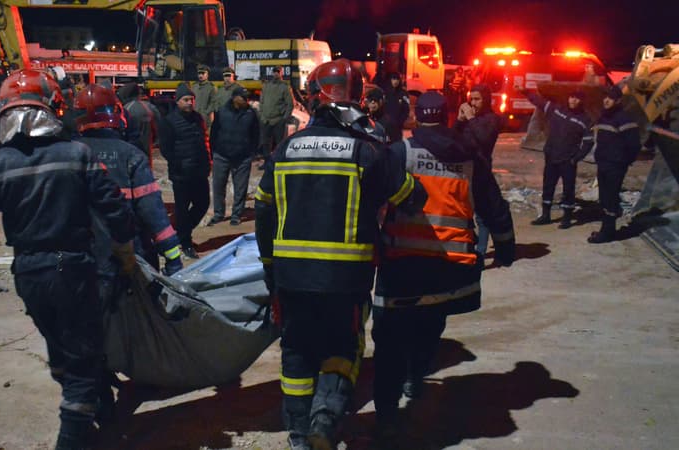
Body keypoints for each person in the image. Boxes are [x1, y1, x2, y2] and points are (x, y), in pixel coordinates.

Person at [0, 69, 136, 449]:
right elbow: (115, 210)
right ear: (52, 108)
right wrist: (125, 254)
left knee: (63, 350)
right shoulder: (76, 155)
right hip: (74, 269)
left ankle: (99, 409)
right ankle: (74, 435)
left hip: (28, 273)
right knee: (81, 361)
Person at [254, 58, 422, 450]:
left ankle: (299, 435)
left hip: (292, 276)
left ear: (313, 98)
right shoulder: (368, 150)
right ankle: (325, 420)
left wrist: (269, 268)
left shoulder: (286, 149)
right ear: (359, 100)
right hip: (346, 278)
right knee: (343, 348)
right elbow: (411, 196)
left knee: (296, 352)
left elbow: (263, 210)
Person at [372, 92, 515, 445]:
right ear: (449, 115)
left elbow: (370, 199)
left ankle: (387, 415)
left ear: (416, 118)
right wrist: (505, 245)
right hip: (448, 264)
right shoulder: (468, 156)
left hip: (401, 262)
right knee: (430, 322)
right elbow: (492, 203)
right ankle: (416, 375)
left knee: (388, 341)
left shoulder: (400, 153)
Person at [74, 83, 183, 277]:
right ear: (116, 113)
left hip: (81, 259)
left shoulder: (66, 155)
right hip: (129, 257)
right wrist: (172, 256)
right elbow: (152, 211)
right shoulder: (131, 155)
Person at [521, 86, 593, 229]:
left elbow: (588, 142)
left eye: (577, 98)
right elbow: (539, 102)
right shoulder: (557, 110)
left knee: (568, 189)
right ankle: (545, 215)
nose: (573, 100)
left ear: (581, 101)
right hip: (551, 157)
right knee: (548, 186)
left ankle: (567, 218)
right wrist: (525, 92)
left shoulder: (585, 120)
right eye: (572, 97)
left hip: (568, 161)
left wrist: (576, 158)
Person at [158, 83, 211, 259]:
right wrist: (178, 164)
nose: (190, 102)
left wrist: (207, 163)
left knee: (203, 204)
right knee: (182, 209)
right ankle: (185, 242)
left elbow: (203, 142)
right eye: (186, 99)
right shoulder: (169, 121)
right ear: (178, 101)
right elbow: (166, 148)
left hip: (199, 172)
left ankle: (180, 232)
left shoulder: (197, 118)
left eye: (191, 99)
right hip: (181, 174)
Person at [454, 84, 503, 259]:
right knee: (461, 212)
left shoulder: (493, 119)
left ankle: (481, 252)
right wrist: (459, 121)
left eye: (477, 99)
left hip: (481, 170)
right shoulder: (470, 119)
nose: (473, 103)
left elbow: (484, 138)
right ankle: (468, 244)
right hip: (464, 170)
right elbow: (452, 137)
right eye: (471, 99)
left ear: (486, 100)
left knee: (482, 214)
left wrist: (470, 119)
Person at [587, 85, 641, 244]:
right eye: (605, 97)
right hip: (603, 164)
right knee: (604, 198)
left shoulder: (625, 119)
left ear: (618, 100)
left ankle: (607, 233)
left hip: (615, 166)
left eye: (610, 98)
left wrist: (623, 162)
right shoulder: (604, 117)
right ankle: (606, 229)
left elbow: (634, 146)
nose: (606, 100)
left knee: (610, 199)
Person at [208, 85, 260, 226]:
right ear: (234, 98)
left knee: (240, 188)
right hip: (221, 155)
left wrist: (251, 153)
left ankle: (236, 215)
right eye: (243, 98)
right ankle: (219, 214)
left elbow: (256, 134)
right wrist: (214, 153)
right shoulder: (222, 112)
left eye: (246, 98)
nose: (246, 100)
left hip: (242, 157)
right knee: (218, 186)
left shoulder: (251, 114)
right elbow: (214, 133)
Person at [117, 81, 161, 168]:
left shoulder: (125, 110)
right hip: (146, 152)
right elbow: (159, 128)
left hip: (129, 153)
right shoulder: (150, 107)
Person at [258, 66, 294, 168]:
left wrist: (284, 118)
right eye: (274, 72)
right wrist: (261, 115)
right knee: (265, 143)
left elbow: (290, 104)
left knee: (279, 143)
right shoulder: (266, 86)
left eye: (278, 72)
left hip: (278, 120)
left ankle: (279, 162)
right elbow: (262, 102)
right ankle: (267, 162)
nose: (276, 74)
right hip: (266, 120)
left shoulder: (284, 87)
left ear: (281, 73)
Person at [382, 72, 410, 142]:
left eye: (397, 79)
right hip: (386, 126)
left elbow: (406, 110)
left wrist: (400, 121)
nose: (396, 81)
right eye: (393, 79)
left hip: (398, 126)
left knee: (397, 144)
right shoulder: (385, 93)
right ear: (390, 80)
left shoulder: (403, 93)